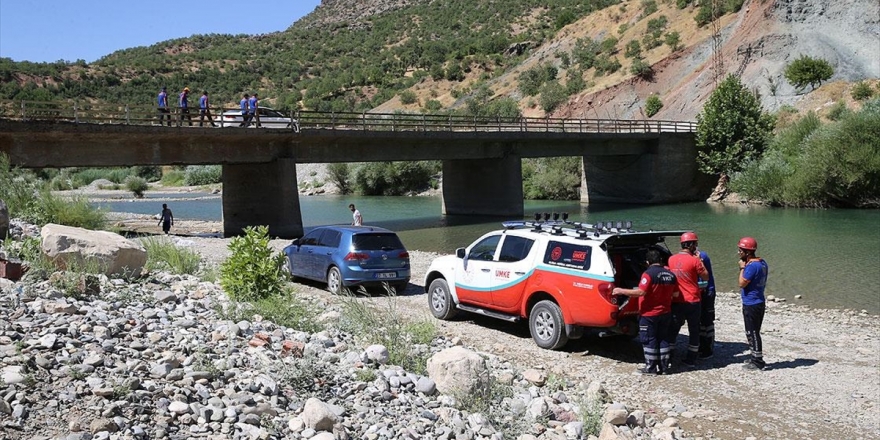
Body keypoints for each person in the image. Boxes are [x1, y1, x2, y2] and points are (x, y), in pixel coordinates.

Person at [613, 249, 678, 375]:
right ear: (660, 260)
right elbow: (675, 294)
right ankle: (664, 367)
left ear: (648, 262)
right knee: (663, 338)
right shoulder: (670, 275)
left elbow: (641, 292)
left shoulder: (648, 274)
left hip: (649, 314)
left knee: (649, 339)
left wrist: (620, 291)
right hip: (665, 312)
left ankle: (651, 368)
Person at [666, 231, 710, 368]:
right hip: (693, 300)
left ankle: (669, 356)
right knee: (694, 330)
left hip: (677, 300)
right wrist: (700, 261)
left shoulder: (671, 259)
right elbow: (706, 277)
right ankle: (691, 358)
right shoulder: (695, 260)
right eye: (695, 244)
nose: (696, 247)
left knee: (673, 329)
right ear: (691, 245)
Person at [738, 236, 769, 371]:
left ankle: (757, 361)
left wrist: (741, 268)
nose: (739, 253)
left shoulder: (751, 266)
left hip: (752, 303)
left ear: (747, 252)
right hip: (759, 301)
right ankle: (754, 356)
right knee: (753, 331)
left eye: (741, 250)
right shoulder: (762, 263)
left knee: (752, 332)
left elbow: (741, 283)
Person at [697, 246, 717, 359]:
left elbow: (704, 276)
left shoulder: (702, 256)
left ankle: (708, 348)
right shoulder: (698, 256)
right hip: (701, 291)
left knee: (707, 321)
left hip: (707, 292)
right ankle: (702, 345)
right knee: (701, 321)